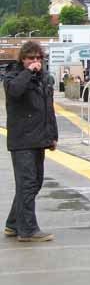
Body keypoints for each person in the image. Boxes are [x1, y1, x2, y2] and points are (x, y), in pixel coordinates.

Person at [4, 41, 58, 242]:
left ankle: (13, 224)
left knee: (34, 183)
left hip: (39, 138)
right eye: (31, 58)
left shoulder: (45, 79)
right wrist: (28, 73)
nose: (35, 62)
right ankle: (27, 230)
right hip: (22, 140)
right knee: (26, 183)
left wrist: (52, 136)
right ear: (23, 60)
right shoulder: (12, 77)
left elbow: (48, 110)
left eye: (38, 58)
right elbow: (15, 91)